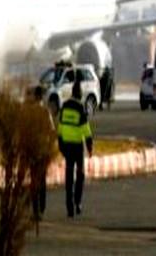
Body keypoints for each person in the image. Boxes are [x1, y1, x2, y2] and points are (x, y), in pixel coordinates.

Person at [57, 79, 93, 218]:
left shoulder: (64, 106)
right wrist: (89, 147)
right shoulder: (80, 107)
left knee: (68, 176)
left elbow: (60, 127)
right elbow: (86, 130)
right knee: (80, 175)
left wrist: (60, 145)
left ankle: (69, 207)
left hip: (67, 146)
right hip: (77, 147)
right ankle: (77, 202)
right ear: (80, 94)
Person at [31, 85, 54, 220]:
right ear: (42, 97)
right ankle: (42, 208)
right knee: (42, 180)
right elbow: (51, 131)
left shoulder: (30, 112)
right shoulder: (45, 112)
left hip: (32, 150)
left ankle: (35, 210)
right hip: (42, 149)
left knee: (34, 181)